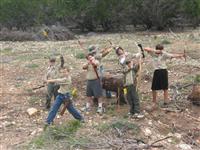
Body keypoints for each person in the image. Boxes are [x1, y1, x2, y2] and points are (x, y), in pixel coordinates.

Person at [144, 44, 186, 109]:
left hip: (163, 71)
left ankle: (166, 101)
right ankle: (154, 101)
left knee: (165, 87)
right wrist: (156, 51)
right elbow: (145, 48)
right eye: (159, 49)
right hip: (156, 71)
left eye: (161, 49)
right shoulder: (153, 53)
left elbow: (172, 55)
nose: (161, 50)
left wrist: (181, 55)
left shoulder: (164, 54)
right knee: (154, 88)